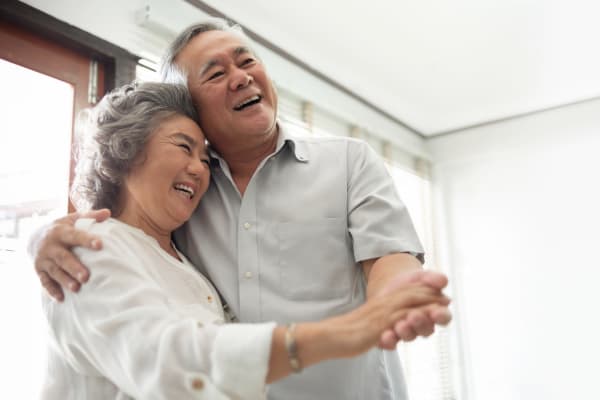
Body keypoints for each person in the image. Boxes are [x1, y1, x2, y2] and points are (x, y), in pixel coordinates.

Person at [32, 18, 452, 399]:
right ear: (191, 110)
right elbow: (155, 338)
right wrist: (44, 239)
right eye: (215, 73)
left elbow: (390, 257)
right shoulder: (172, 207)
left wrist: (393, 299)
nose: (240, 77)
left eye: (246, 60)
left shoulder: (348, 161)